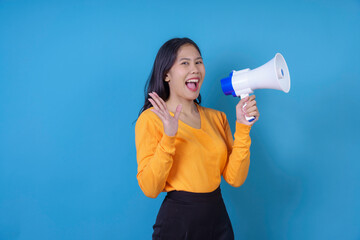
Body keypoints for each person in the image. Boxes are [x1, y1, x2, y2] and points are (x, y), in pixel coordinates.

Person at [135, 37, 259, 240]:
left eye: (198, 62)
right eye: (185, 63)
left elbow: (235, 179)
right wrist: (169, 136)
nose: (195, 69)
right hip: (178, 223)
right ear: (166, 74)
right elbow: (150, 188)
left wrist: (244, 127)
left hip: (218, 219)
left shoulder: (217, 118)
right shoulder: (151, 119)